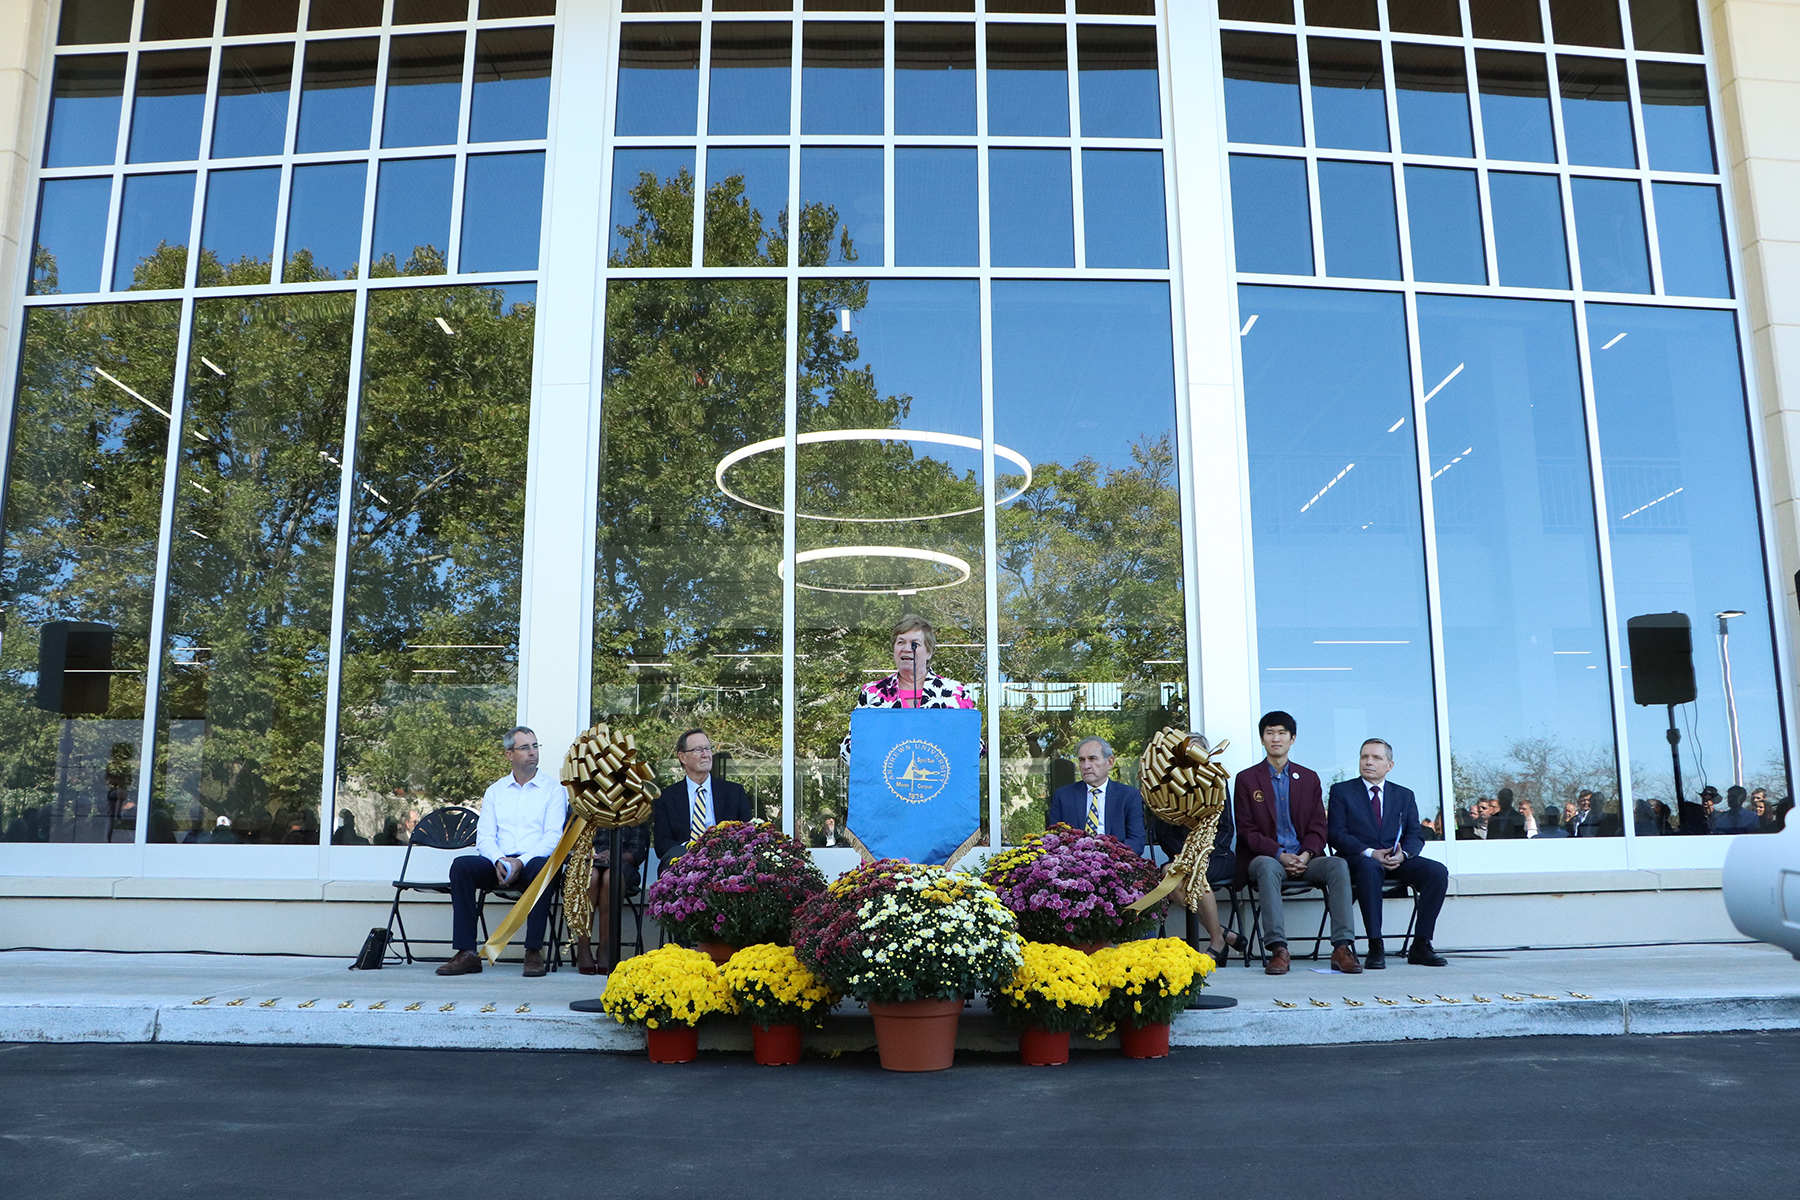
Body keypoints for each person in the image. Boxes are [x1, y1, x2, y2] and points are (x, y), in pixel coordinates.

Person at [1232, 711, 1360, 977]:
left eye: (1281, 733)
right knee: (1267, 868)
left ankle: (1342, 947)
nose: (1275, 738)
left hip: (1305, 858)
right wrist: (1280, 855)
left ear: (1293, 739)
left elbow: (1318, 827)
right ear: (1262, 739)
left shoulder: (1309, 778)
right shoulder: (1247, 779)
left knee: (1337, 865)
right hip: (1267, 858)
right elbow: (1246, 831)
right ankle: (1278, 950)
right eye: (1269, 733)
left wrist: (1305, 854)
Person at [438, 727, 567, 978]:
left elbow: (553, 837)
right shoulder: (495, 791)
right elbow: (484, 836)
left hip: (532, 862)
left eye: (535, 746)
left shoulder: (553, 790)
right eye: (525, 747)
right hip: (498, 862)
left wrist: (520, 862)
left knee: (544, 867)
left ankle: (533, 952)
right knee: (461, 866)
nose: (532, 752)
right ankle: (466, 953)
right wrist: (499, 860)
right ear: (509, 755)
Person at [1328, 737, 1451, 969]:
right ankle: (1376, 945)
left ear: (1389, 765)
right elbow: (1336, 834)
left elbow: (1415, 835)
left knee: (1437, 872)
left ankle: (1421, 944)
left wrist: (1403, 855)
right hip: (1359, 858)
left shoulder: (1404, 795)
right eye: (1364, 757)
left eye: (1376, 757)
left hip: (1396, 859)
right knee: (1370, 867)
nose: (1369, 762)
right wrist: (1370, 853)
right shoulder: (1342, 791)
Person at [1148, 738, 1247, 964]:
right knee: (1168, 874)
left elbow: (1226, 829)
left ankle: (1217, 941)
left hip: (1217, 856)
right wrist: (1186, 854)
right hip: (1181, 857)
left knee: (1193, 872)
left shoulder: (1217, 781)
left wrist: (1201, 853)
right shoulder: (1168, 785)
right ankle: (1222, 935)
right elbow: (1164, 833)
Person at [837, 614, 978, 763]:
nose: (906, 648)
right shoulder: (872, 693)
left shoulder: (955, 692)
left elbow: (975, 747)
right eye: (900, 642)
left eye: (914, 644)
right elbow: (849, 751)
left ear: (929, 652)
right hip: (886, 783)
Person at [652, 728, 752, 861]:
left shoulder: (734, 793)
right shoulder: (666, 798)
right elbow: (662, 845)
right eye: (698, 750)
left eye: (708, 748)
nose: (706, 754)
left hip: (725, 864)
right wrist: (691, 850)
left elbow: (749, 835)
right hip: (682, 865)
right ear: (682, 757)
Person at [1047, 737, 1146, 854]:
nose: (1086, 766)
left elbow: (1137, 842)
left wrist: (1108, 857)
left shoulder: (1129, 796)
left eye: (1092, 759)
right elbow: (1052, 840)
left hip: (1116, 864)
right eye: (1082, 760)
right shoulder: (1063, 795)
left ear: (1110, 762)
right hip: (1074, 866)